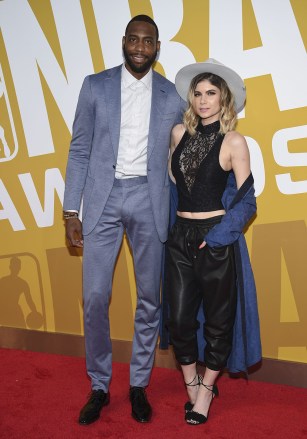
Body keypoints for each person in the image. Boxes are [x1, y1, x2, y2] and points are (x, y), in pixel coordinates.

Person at [63, 15, 186, 425]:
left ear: (157, 47)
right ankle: (99, 384)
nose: (139, 47)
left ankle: (138, 384)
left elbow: (183, 158)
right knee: (96, 297)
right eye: (133, 39)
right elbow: (79, 148)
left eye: (147, 41)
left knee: (149, 298)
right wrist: (70, 210)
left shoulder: (172, 97)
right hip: (103, 199)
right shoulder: (95, 86)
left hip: (149, 201)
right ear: (123, 41)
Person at [166, 59, 259, 425]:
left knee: (219, 322)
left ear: (224, 100)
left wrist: (218, 238)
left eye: (211, 94)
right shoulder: (177, 134)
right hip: (179, 237)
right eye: (198, 94)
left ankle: (206, 391)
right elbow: (174, 189)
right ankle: (192, 382)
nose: (204, 101)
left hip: (214, 239)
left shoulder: (234, 140)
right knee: (178, 318)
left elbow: (247, 200)